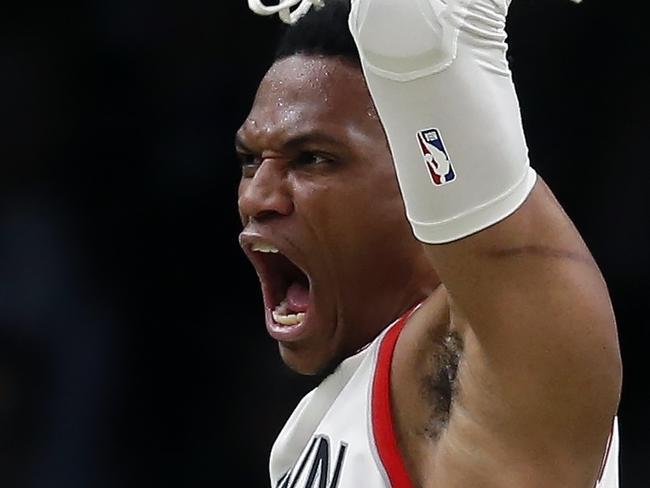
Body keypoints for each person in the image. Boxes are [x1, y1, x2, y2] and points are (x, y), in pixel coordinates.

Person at [237, 0, 622, 486]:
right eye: (250, 161)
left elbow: (408, 29)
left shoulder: (513, 349)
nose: (258, 196)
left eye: (313, 158)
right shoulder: (306, 439)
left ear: (422, 182)